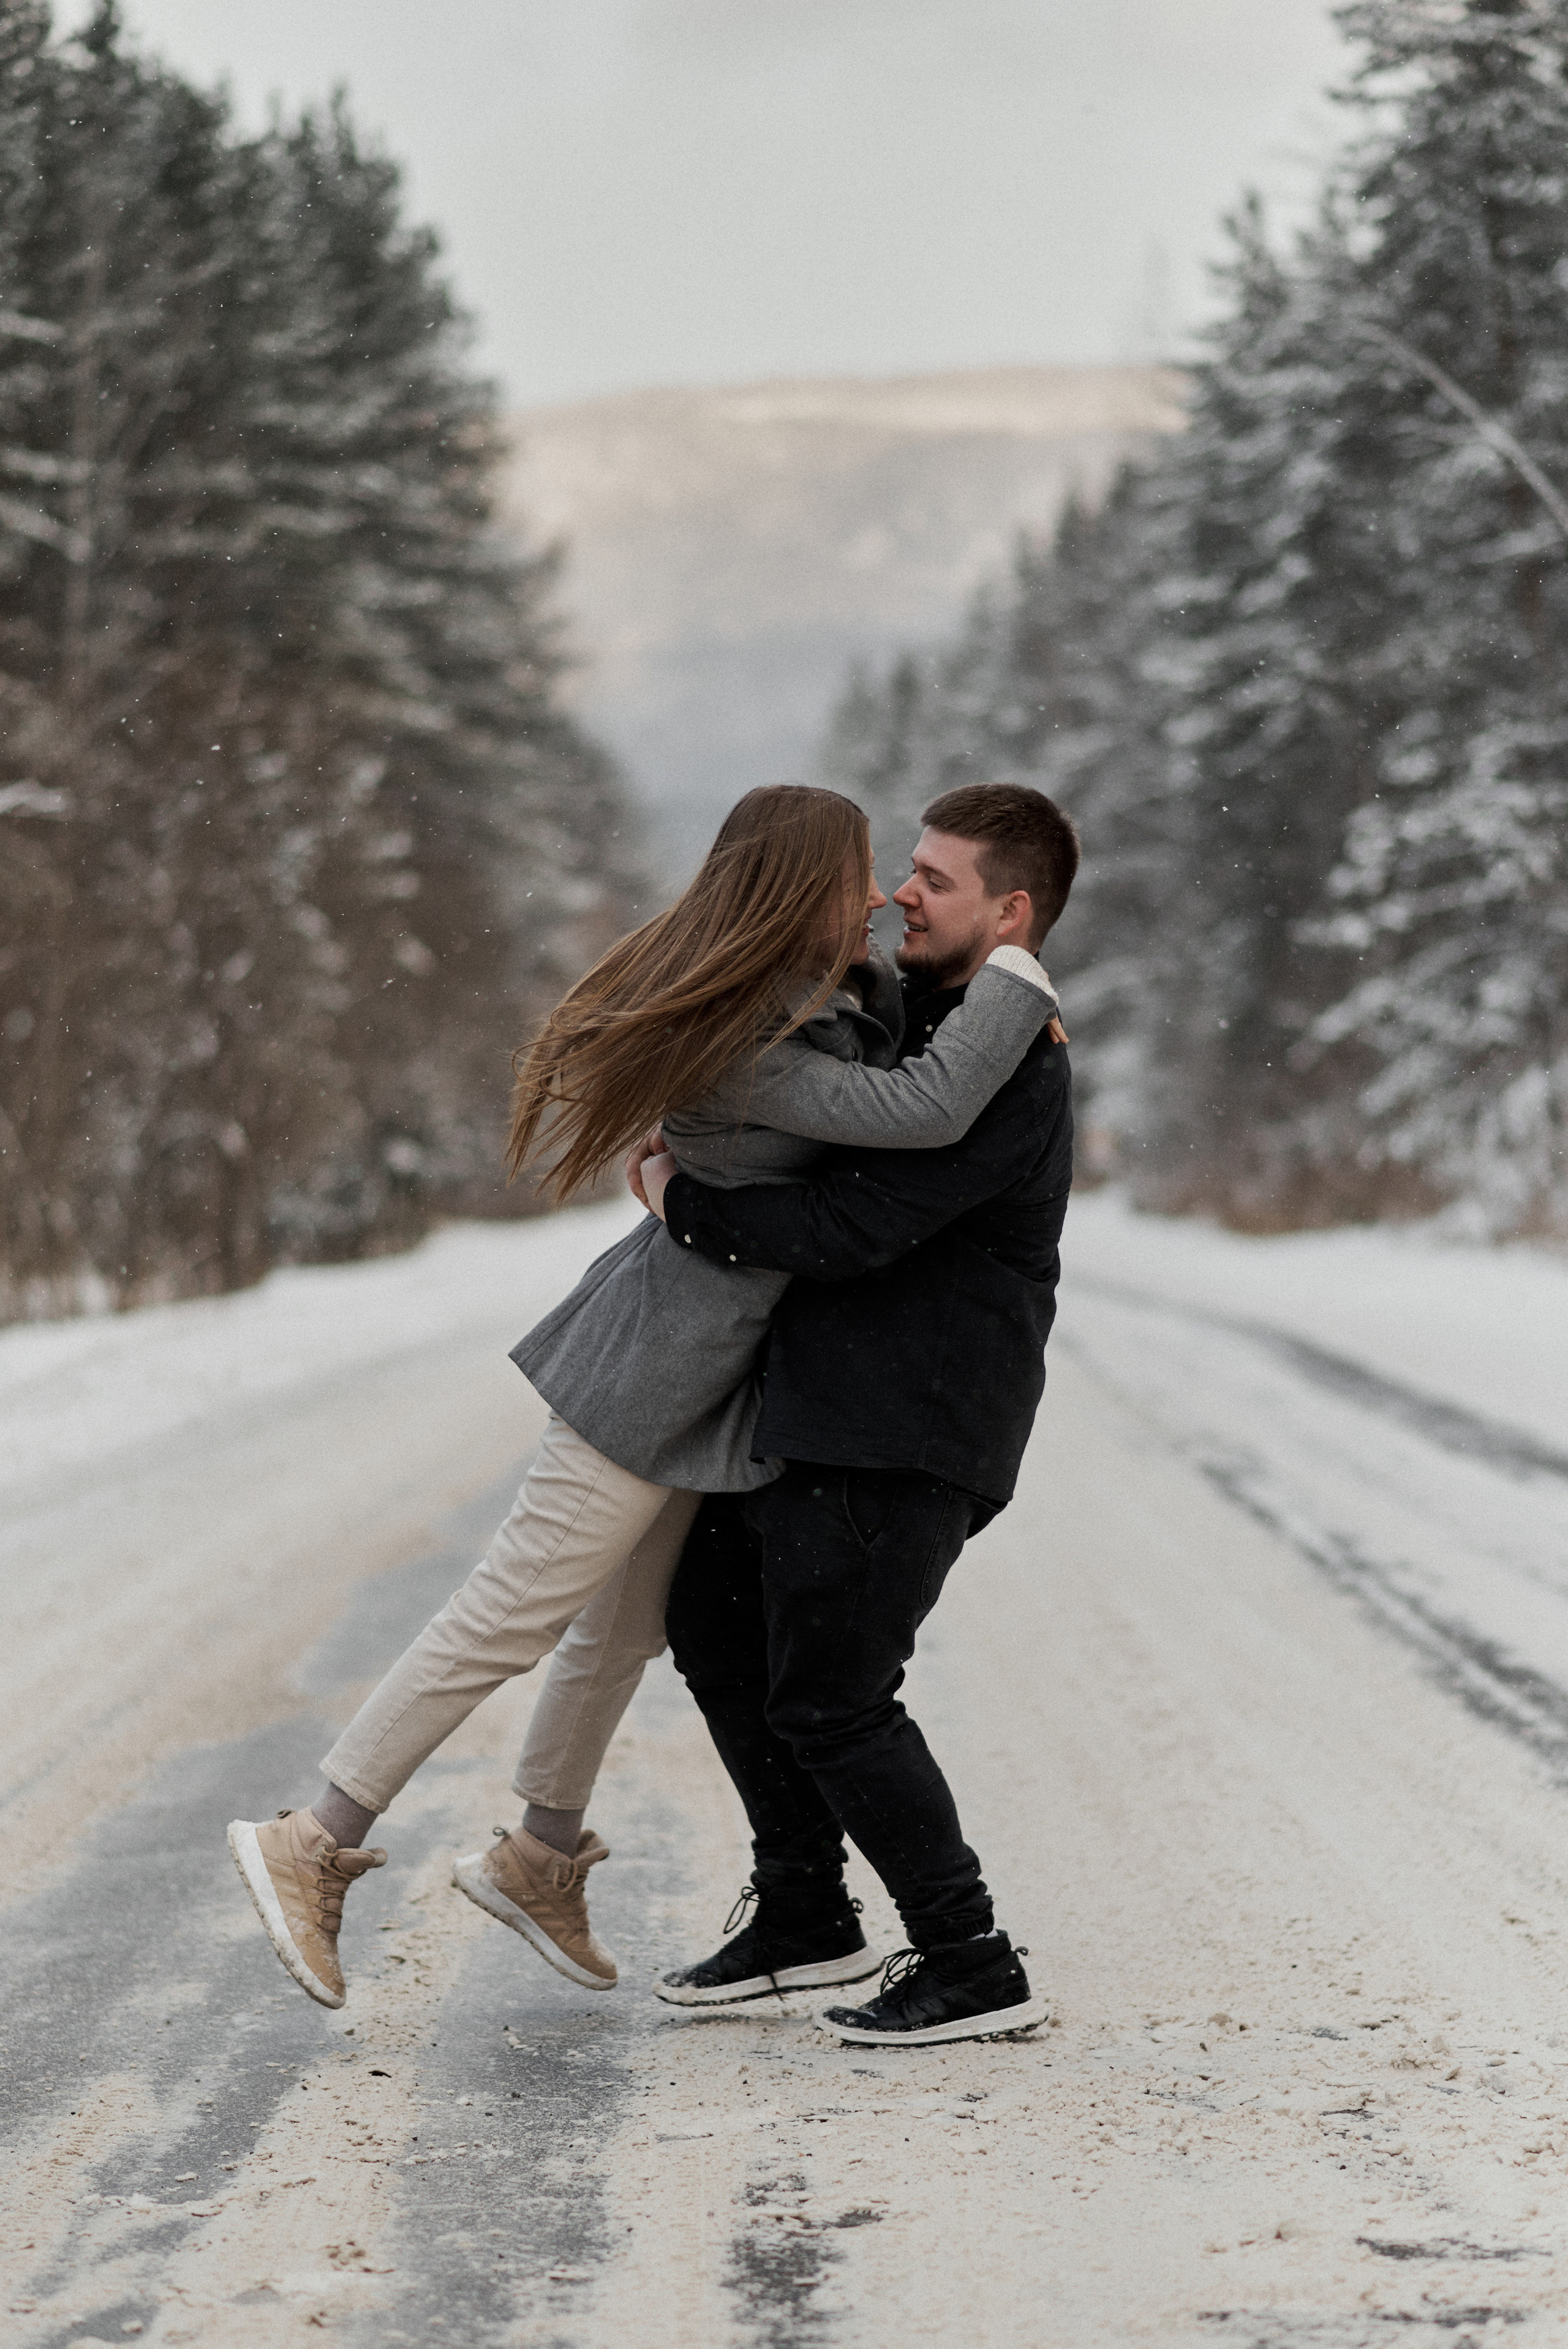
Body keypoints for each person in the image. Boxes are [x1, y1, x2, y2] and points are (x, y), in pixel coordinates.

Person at [227, 784, 1062, 2010]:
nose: (883, 896)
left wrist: (978, 984)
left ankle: (540, 1855)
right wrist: (1019, 982)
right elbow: (918, 1109)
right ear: (797, 891)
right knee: (511, 1608)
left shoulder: (823, 996)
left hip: (717, 1386)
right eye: (863, 876)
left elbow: (901, 1052)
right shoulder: (746, 1037)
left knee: (623, 1629)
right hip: (655, 1362)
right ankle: (315, 1836)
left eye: (910, 877)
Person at [638, 781, 1077, 2048]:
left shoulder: (1006, 1060)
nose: (901, 894)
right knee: (713, 1624)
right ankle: (804, 1910)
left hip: (910, 1418)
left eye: (935, 880)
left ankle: (970, 1958)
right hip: (821, 1405)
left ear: (1010, 912)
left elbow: (856, 1227)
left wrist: (682, 1203)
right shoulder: (915, 1018)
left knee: (834, 1693)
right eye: (905, 869)